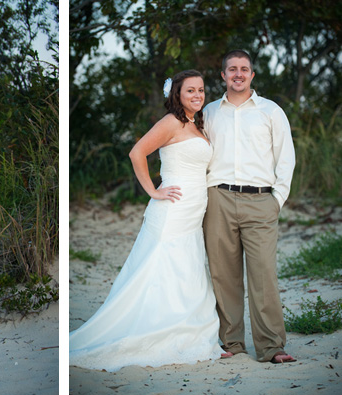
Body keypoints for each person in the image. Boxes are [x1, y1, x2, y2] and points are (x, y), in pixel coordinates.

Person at [69, 70, 224, 372]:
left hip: (194, 211)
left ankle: (190, 331)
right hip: (173, 209)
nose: (197, 95)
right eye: (190, 91)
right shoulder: (171, 122)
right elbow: (137, 152)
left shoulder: (196, 124)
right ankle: (157, 329)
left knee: (187, 266)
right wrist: (153, 190)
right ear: (177, 95)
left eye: (201, 90)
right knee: (164, 267)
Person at [202, 50, 296, 364]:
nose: (238, 74)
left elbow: (286, 158)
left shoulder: (271, 111)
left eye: (244, 69)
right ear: (223, 76)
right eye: (232, 69)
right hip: (219, 199)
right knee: (223, 275)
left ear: (252, 75)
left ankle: (271, 347)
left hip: (261, 201)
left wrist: (276, 201)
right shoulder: (209, 113)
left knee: (263, 274)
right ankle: (232, 344)